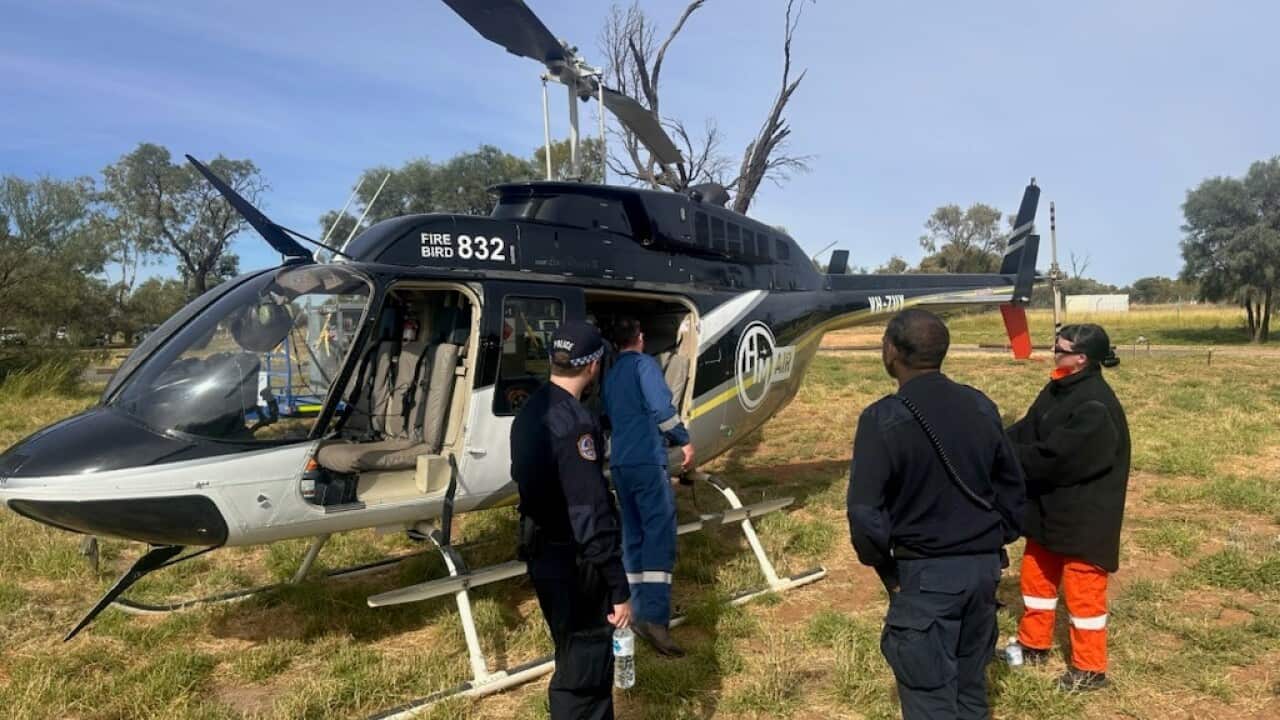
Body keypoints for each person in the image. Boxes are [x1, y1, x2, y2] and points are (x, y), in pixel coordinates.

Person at [846, 308, 1026, 720]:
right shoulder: (981, 405)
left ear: (891, 350)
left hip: (924, 579)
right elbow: (1014, 489)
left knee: (930, 701)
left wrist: (889, 574)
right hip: (983, 573)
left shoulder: (882, 418)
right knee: (970, 691)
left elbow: (864, 514)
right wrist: (993, 539)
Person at [511, 321, 632, 720]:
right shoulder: (577, 424)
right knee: (586, 672)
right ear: (593, 365)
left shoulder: (530, 410)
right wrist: (618, 586)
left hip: (543, 551)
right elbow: (590, 513)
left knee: (570, 652)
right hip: (576, 563)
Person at [1007, 324, 1130, 692]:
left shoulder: (1095, 405)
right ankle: (1033, 646)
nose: (1053, 352)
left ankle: (1090, 670)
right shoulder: (1058, 388)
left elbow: (1054, 459)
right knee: (1035, 579)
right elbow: (1028, 429)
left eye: (1059, 349)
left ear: (1082, 358)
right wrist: (994, 442)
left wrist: (1006, 458)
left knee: (1083, 595)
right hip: (1050, 510)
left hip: (1084, 519)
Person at [602, 316, 694, 657]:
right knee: (658, 533)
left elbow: (609, 416)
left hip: (622, 463)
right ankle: (655, 618)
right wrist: (683, 441)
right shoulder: (645, 366)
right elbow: (662, 410)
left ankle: (633, 610)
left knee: (633, 533)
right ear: (639, 338)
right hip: (645, 460)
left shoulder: (611, 375)